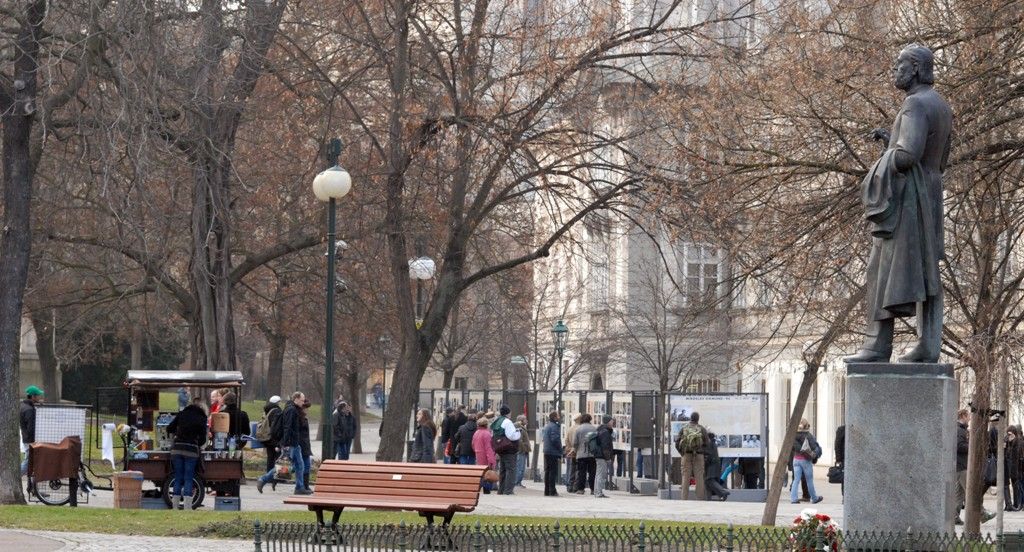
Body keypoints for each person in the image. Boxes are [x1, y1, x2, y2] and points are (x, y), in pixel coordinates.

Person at [844, 44, 953, 365]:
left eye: (899, 66)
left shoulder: (914, 105)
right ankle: (929, 345)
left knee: (880, 269)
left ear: (916, 68)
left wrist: (887, 157)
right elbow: (940, 158)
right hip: (930, 192)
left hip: (908, 198)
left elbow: (907, 156)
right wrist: (890, 139)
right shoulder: (940, 105)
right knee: (927, 271)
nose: (895, 71)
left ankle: (877, 346)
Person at [257, 392, 310, 494]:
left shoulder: (292, 408)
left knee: (300, 465)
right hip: (290, 443)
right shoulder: (291, 410)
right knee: (283, 466)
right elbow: (287, 427)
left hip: (294, 442)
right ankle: (263, 479)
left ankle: (299, 487)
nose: (303, 403)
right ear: (297, 399)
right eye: (302, 400)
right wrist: (285, 444)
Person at [167, 397, 207, 510]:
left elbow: (169, 428)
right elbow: (203, 440)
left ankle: (175, 507)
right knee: (188, 478)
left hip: (177, 448)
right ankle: (187, 508)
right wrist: (196, 441)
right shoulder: (202, 417)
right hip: (191, 451)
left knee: (178, 477)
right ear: (202, 407)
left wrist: (177, 434)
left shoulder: (182, 414)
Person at [676, 411, 709, 500]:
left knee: (685, 477)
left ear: (690, 418)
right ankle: (700, 498)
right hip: (698, 455)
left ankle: (684, 498)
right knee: (699, 478)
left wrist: (682, 453)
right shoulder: (701, 429)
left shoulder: (684, 428)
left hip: (686, 455)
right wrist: (702, 453)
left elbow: (677, 442)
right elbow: (707, 443)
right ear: (698, 419)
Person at [790, 418, 823, 505]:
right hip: (805, 460)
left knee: (796, 480)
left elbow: (793, 448)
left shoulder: (793, 435)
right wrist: (815, 454)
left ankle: (793, 499)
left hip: (796, 459)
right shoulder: (808, 435)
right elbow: (814, 447)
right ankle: (814, 498)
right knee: (809, 480)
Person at [491, 405, 522, 495]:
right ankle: (508, 490)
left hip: (500, 448)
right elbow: (511, 436)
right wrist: (518, 432)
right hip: (509, 449)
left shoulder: (497, 420)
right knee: (511, 469)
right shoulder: (507, 422)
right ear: (508, 413)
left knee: (503, 470)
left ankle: (501, 489)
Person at [258, 395, 283, 487]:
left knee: (270, 458)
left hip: (266, 438)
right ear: (277, 402)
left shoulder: (266, 410)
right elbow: (275, 427)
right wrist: (277, 441)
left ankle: (268, 476)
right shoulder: (276, 411)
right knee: (277, 458)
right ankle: (275, 477)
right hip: (273, 439)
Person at [20, 385, 44, 478]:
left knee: (29, 461)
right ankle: (16, 476)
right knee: (28, 461)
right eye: (38, 395)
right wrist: (34, 441)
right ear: (33, 396)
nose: (39, 397)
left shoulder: (24, 406)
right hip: (30, 440)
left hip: (26, 438)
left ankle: (32, 485)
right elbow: (31, 428)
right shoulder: (29, 410)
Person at [572, 414, 597, 495]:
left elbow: (574, 443)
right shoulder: (594, 428)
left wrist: (576, 450)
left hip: (581, 454)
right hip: (592, 454)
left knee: (581, 472)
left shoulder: (578, 429)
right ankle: (593, 489)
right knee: (592, 472)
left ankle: (581, 489)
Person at [472, 415, 496, 494]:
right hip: (485, 456)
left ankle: (479, 488)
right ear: (486, 424)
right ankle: (486, 489)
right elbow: (488, 448)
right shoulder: (487, 434)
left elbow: (473, 444)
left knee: (481, 473)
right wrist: (491, 460)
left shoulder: (476, 433)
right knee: (487, 473)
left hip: (478, 454)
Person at [704, 432, 730, 501]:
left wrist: (705, 462)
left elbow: (708, 456)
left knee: (709, 481)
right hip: (715, 465)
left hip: (711, 466)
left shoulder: (709, 444)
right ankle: (711, 497)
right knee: (708, 482)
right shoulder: (713, 443)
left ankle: (723, 492)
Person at [593, 416, 615, 498]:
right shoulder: (605, 432)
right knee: (601, 474)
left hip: (599, 455)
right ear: (608, 422)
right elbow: (605, 446)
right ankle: (598, 492)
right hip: (602, 456)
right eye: (612, 421)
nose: (613, 423)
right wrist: (608, 458)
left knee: (598, 474)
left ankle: (597, 491)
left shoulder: (601, 430)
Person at [542, 411, 563, 496]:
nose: (559, 417)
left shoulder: (548, 426)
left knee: (548, 471)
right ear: (555, 417)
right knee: (552, 472)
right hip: (553, 451)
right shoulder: (554, 426)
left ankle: (547, 491)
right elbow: (555, 439)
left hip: (547, 450)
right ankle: (552, 490)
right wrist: (560, 449)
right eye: (558, 416)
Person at [1005, 426, 1023, 512]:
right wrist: (1008, 442)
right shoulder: (1007, 440)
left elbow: (1017, 454)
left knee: (1016, 486)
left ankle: (1017, 504)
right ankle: (1010, 504)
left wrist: (1012, 443)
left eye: (1010, 432)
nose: (1009, 434)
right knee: (1010, 485)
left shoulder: (1018, 441)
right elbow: (1006, 453)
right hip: (1009, 467)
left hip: (1016, 467)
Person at [299, 399, 314, 490]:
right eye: (306, 408)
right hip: (300, 445)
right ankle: (266, 478)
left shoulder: (305, 418)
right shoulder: (299, 418)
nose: (307, 410)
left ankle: (305, 485)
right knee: (296, 467)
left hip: (305, 446)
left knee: (307, 465)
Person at [564, 414, 582, 493]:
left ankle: (569, 486)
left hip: (571, 452)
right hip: (578, 452)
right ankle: (575, 486)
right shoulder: (579, 429)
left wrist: (569, 449)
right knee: (578, 470)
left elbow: (566, 440)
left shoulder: (570, 429)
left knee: (571, 469)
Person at [514, 414, 531, 488]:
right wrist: (524, 447)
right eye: (525, 419)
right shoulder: (520, 428)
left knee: (521, 467)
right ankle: (517, 482)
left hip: (523, 450)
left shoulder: (522, 428)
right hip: (521, 451)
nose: (527, 421)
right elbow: (519, 440)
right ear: (521, 421)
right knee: (520, 467)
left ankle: (518, 482)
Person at [835, 424, 846, 496]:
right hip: (844, 458)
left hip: (844, 458)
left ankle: (844, 496)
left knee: (844, 478)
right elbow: (837, 444)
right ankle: (844, 496)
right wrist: (838, 459)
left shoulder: (841, 429)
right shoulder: (842, 429)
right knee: (844, 478)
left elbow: (837, 444)